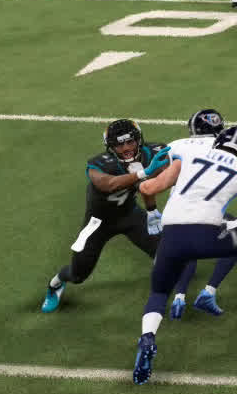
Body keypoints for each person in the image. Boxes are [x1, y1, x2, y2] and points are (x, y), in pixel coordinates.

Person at [131, 125, 237, 384]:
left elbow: (149, 189)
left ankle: (147, 337)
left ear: (216, 142)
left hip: (171, 236)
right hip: (207, 235)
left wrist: (146, 189)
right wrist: (236, 223)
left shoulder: (187, 155)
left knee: (158, 293)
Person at [37, 119, 173, 313]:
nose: (126, 148)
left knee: (167, 253)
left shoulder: (152, 152)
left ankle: (167, 286)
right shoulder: (99, 164)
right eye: (119, 144)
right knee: (78, 274)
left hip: (130, 214)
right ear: (110, 147)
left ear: (139, 140)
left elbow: (162, 172)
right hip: (98, 223)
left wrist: (152, 209)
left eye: (130, 142)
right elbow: (109, 184)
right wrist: (145, 173)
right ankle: (55, 284)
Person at [163, 108, 237, 318]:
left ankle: (179, 298)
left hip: (174, 215)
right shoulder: (222, 149)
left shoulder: (174, 146)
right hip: (205, 214)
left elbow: (160, 174)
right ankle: (209, 292)